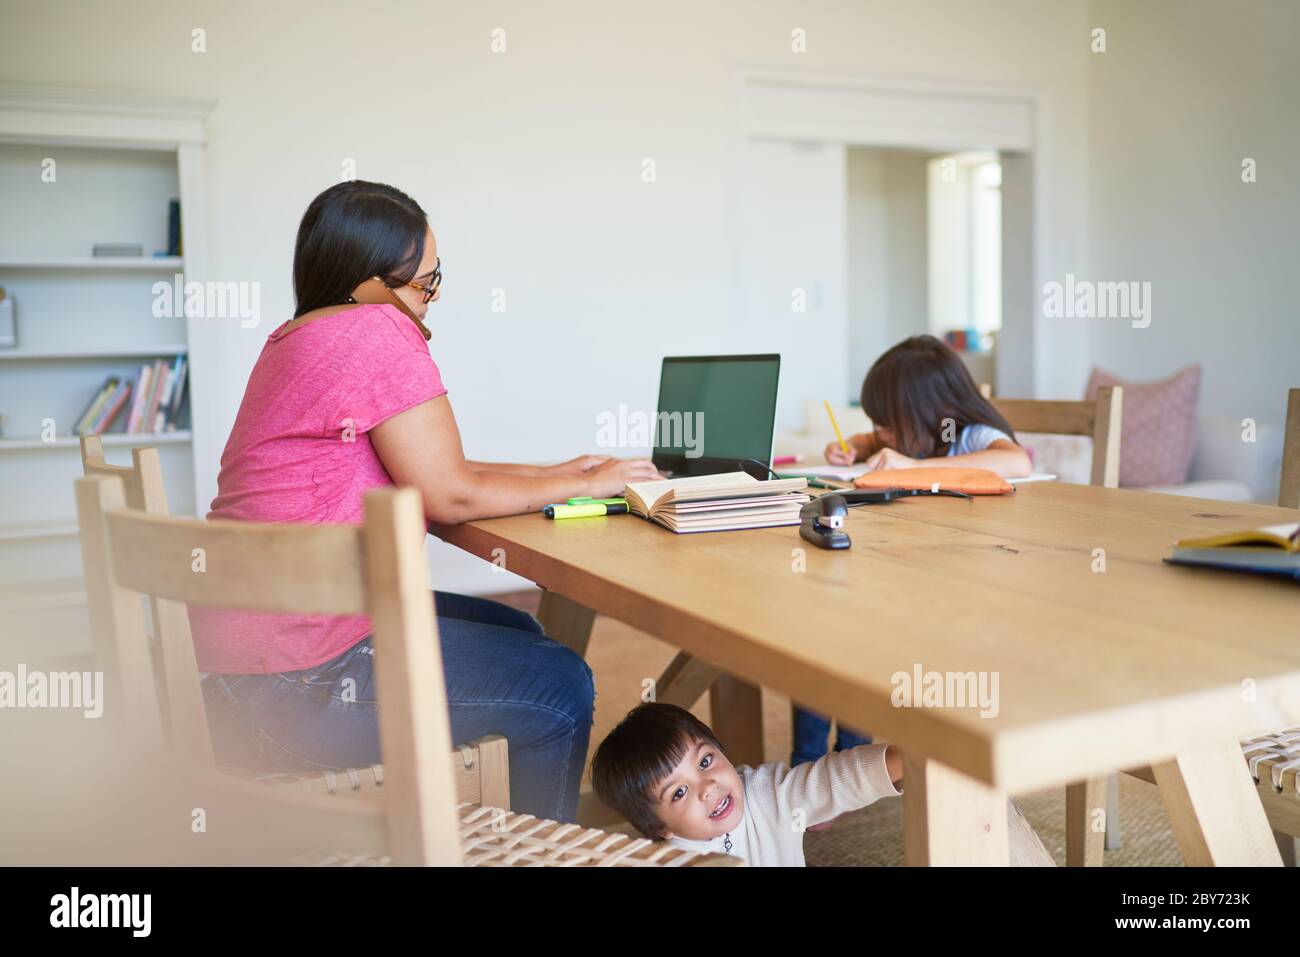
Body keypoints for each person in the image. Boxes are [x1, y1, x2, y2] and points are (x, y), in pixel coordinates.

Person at [191, 180, 660, 822]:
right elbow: (448, 493)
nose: (429, 299)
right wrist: (582, 484)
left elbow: (429, 467)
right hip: (294, 683)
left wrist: (553, 471)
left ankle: (477, 811)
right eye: (422, 283)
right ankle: (529, 852)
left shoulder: (295, 337)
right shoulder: (376, 330)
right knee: (558, 684)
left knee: (520, 631)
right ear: (370, 284)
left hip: (240, 668)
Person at [795, 335, 1031, 767]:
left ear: (932, 414)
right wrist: (854, 446)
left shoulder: (972, 436)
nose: (882, 434)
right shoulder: (918, 435)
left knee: (846, 626)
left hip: (966, 592)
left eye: (887, 424)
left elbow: (1018, 463)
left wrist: (915, 467)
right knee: (826, 617)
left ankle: (847, 761)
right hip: (908, 571)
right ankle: (819, 764)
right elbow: (871, 442)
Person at [592, 704, 1051, 866]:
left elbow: (830, 783)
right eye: (679, 792)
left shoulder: (766, 796)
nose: (708, 786)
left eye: (707, 760)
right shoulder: (658, 858)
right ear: (658, 828)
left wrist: (900, 761)